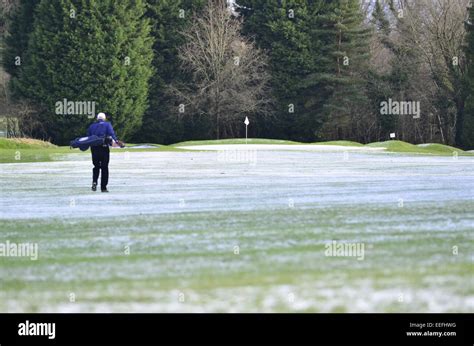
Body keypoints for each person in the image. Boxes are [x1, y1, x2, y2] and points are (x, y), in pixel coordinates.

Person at [87, 112, 123, 192]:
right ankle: (103, 187)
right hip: (104, 148)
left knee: (96, 166)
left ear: (97, 118)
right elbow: (111, 134)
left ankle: (94, 182)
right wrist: (117, 142)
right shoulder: (107, 125)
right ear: (104, 118)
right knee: (104, 168)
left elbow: (88, 138)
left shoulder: (91, 126)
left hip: (94, 149)